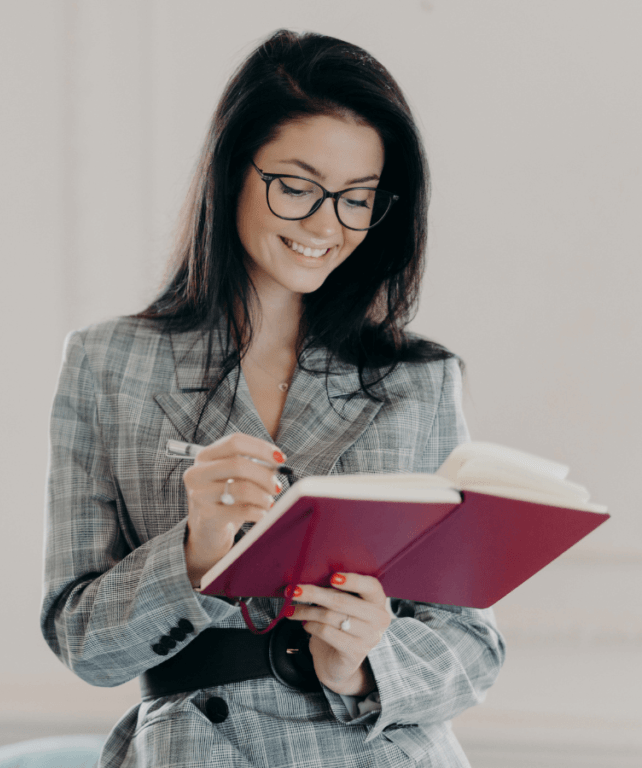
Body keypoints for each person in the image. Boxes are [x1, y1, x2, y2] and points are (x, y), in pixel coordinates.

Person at [41, 29, 504, 767]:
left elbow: (472, 645)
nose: (327, 225)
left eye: (358, 199)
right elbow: (81, 641)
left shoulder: (419, 380)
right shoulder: (108, 365)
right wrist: (193, 556)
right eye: (296, 186)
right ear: (231, 172)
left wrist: (362, 659)